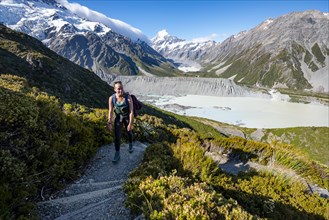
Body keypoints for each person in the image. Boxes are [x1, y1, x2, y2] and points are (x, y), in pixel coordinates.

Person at [108, 81, 134, 163]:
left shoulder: (128, 97)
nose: (120, 90)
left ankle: (130, 145)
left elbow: (131, 111)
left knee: (129, 132)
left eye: (121, 88)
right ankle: (117, 153)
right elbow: (110, 111)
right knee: (117, 136)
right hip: (118, 118)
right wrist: (109, 122)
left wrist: (130, 123)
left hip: (127, 118)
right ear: (115, 89)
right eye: (118, 89)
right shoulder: (112, 98)